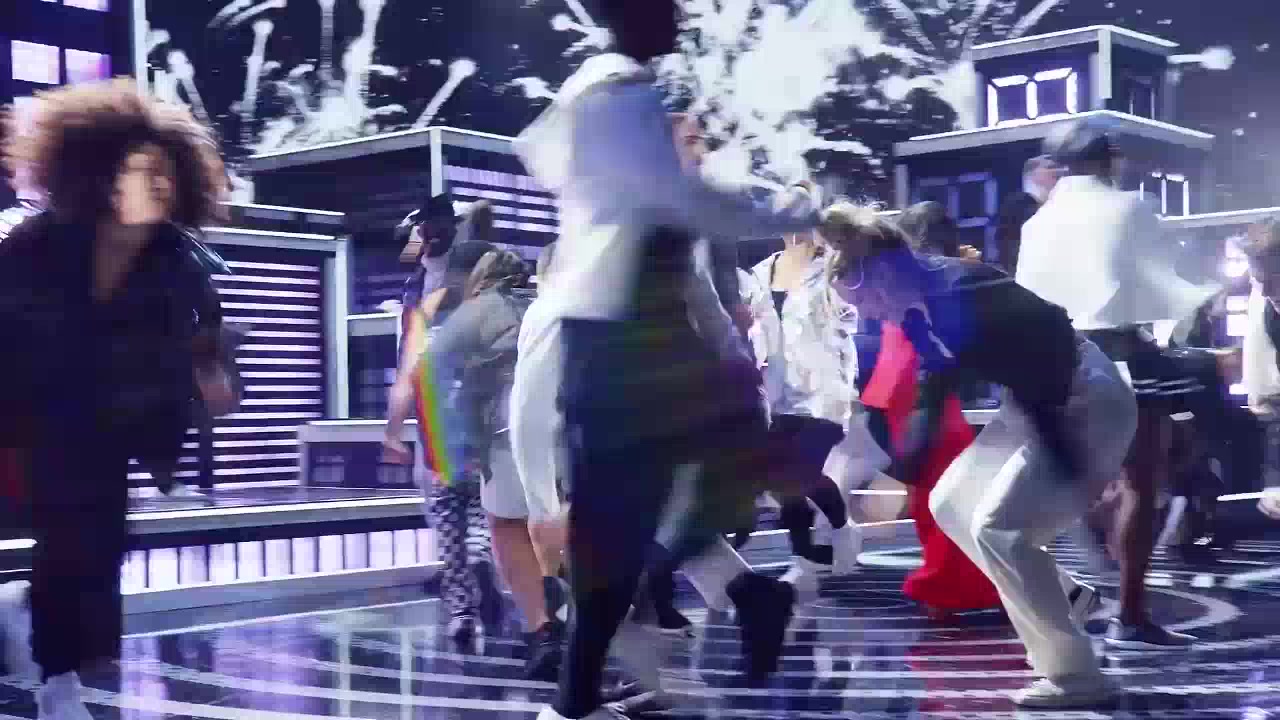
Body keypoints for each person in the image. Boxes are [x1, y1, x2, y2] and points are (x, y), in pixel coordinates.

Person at [513, 1, 820, 715]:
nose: (678, 19)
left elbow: (676, 226)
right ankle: (748, 598)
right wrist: (790, 210)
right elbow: (681, 204)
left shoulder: (605, 94)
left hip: (629, 344)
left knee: (628, 529)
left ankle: (580, 698)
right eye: (666, 7)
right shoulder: (618, 96)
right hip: (625, 345)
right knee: (628, 530)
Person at [824, 202, 1137, 708]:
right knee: (950, 502)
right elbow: (933, 386)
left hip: (1082, 401)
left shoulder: (958, 292)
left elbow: (1044, 359)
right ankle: (1067, 598)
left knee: (1000, 529)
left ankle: (1075, 674)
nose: (868, 315)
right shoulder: (923, 301)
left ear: (882, 275)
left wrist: (1069, 463)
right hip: (1039, 401)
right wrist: (907, 467)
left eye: (863, 302)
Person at [0, 79, 238, 720]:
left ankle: (59, 651)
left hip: (115, 427)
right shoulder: (35, 245)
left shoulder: (179, 262)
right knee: (64, 542)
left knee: (100, 547)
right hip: (32, 416)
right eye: (142, 171)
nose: (158, 185)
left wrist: (211, 377)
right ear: (104, 178)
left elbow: (208, 344)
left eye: (166, 173)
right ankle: (55, 674)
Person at [1017, 117, 1216, 650]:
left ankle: (1070, 593)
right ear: (1107, 159)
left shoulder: (1037, 223)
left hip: (1057, 361)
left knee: (1056, 485)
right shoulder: (1132, 206)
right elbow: (1164, 284)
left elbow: (1030, 299)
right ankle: (1130, 614)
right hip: (1123, 356)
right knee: (1141, 482)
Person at [736, 185, 885, 576]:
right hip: (777, 392)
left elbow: (852, 320)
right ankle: (803, 555)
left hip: (824, 392)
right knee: (780, 479)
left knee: (798, 473)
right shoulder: (760, 272)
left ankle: (842, 528)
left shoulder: (833, 267)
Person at [865, 202, 1001, 616]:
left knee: (936, 491)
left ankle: (948, 587)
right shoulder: (935, 275)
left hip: (908, 384)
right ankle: (951, 587)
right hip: (919, 385)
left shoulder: (910, 274)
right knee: (943, 490)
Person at [385, 207, 503, 643]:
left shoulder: (431, 286)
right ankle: (479, 558)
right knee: (478, 503)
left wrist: (393, 431)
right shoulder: (468, 281)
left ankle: (461, 606)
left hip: (436, 410)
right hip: (477, 414)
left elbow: (407, 370)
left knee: (446, 506)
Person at [994, 155, 1061, 274]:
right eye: (1050, 167)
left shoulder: (1064, 204)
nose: (1057, 172)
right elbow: (1008, 248)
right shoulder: (1018, 205)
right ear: (1033, 174)